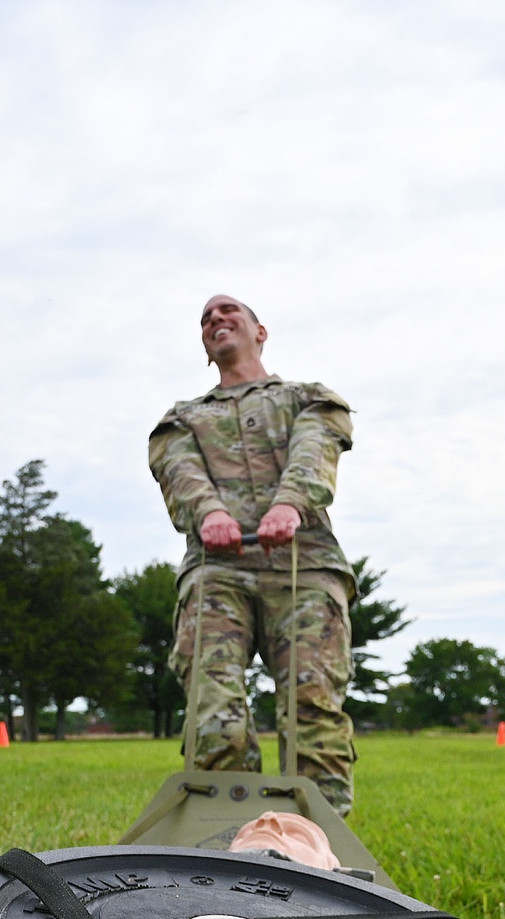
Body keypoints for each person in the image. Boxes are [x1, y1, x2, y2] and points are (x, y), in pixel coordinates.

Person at [149, 295, 357, 815]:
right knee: (213, 710)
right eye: (205, 319)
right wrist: (211, 515)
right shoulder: (183, 419)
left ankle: (319, 849)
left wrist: (289, 506)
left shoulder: (306, 398)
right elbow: (180, 471)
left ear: (260, 331)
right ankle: (227, 840)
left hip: (303, 566)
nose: (216, 319)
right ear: (203, 345)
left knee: (311, 705)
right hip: (217, 572)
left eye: (228, 312)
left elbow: (316, 449)